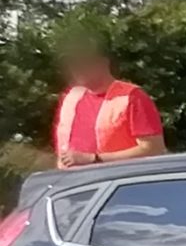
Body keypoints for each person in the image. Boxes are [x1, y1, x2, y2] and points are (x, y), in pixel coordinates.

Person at [51, 34, 166, 168]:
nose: (77, 68)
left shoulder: (133, 97)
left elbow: (154, 150)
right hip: (74, 184)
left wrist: (94, 159)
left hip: (118, 183)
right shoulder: (72, 97)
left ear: (104, 63)